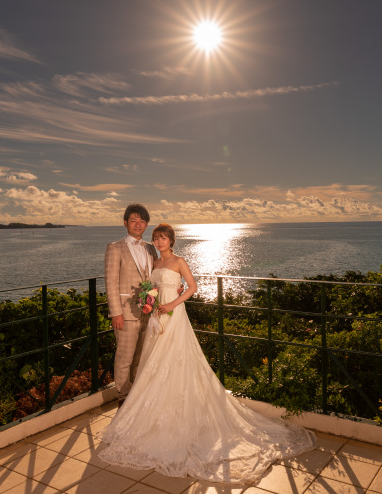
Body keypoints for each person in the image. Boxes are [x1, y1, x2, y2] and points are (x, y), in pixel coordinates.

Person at [99, 223, 316, 484]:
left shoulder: (180, 261)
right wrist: (152, 302)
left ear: (172, 240)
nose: (159, 241)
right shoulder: (154, 264)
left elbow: (192, 287)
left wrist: (171, 303)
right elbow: (150, 289)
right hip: (157, 318)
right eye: (156, 238)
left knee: (176, 361)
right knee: (154, 364)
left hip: (174, 315)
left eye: (163, 237)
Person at [104, 203, 158, 408]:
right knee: (124, 357)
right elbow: (110, 282)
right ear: (126, 223)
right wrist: (115, 313)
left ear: (146, 225)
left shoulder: (151, 248)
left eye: (142, 221)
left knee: (140, 357)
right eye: (134, 220)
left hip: (148, 312)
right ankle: (122, 398)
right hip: (125, 314)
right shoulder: (115, 247)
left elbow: (155, 277)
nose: (138, 224)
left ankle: (136, 396)